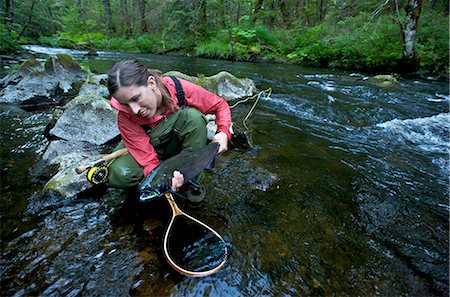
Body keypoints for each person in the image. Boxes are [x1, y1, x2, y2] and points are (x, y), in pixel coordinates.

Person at [106, 60, 231, 202]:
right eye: (125, 104)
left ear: (151, 83)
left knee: (193, 117)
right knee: (118, 174)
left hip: (179, 144)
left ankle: (194, 179)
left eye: (136, 98)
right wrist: (163, 180)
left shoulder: (178, 88)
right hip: (149, 147)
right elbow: (147, 160)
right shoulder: (125, 117)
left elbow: (220, 105)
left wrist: (223, 132)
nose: (134, 110)